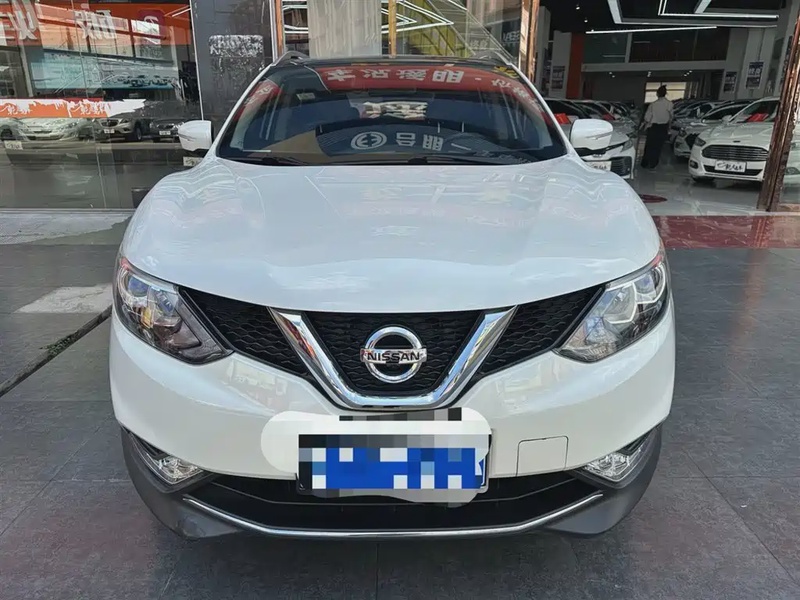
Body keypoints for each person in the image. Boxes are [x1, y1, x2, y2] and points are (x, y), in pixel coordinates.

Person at [641, 85, 673, 169]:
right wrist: (669, 128)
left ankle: (645, 162)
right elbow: (671, 117)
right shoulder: (669, 104)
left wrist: (645, 126)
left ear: (657, 94)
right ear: (665, 93)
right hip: (663, 128)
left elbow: (647, 118)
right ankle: (653, 163)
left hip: (653, 127)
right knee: (658, 147)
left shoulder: (653, 105)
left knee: (649, 146)